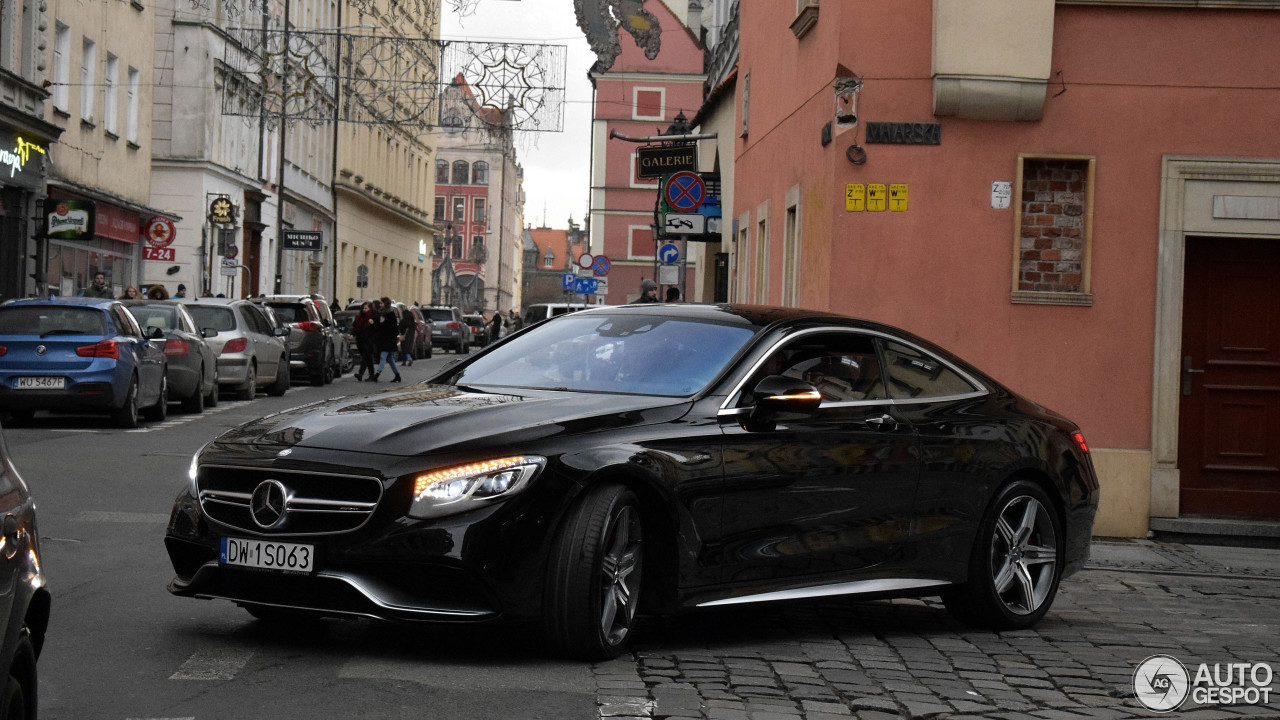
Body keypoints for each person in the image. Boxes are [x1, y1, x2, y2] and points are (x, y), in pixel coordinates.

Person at [372, 296, 402, 382]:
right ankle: (397, 375)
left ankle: (377, 375)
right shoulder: (381, 313)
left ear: (385, 304)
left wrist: (382, 325)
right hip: (383, 339)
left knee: (383, 356)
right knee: (390, 359)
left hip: (389, 339)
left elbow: (392, 327)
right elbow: (380, 325)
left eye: (381, 303)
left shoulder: (390, 314)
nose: (380, 304)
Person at [352, 300, 378, 381]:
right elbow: (356, 327)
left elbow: (378, 328)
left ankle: (360, 374)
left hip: (369, 340)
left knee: (366, 357)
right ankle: (372, 375)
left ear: (370, 309)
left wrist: (373, 323)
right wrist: (352, 334)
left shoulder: (374, 317)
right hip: (361, 340)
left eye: (366, 308)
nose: (364, 310)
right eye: (363, 308)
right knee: (368, 358)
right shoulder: (359, 317)